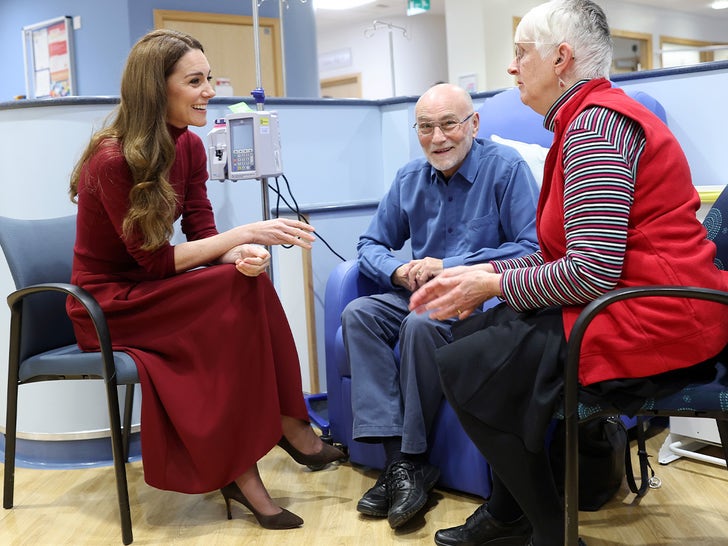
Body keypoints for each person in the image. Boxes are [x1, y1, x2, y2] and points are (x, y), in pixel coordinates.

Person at [408, 2, 728, 545]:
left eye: (519, 54)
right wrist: (485, 278)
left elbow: (590, 272)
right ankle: (512, 513)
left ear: (561, 59)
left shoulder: (595, 129)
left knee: (466, 363)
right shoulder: (585, 120)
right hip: (634, 300)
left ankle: (551, 532)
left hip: (655, 316)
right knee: (474, 339)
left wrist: (492, 283)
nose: (511, 69)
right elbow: (569, 255)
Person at [66, 29, 345, 531]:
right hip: (108, 303)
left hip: (153, 288)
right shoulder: (111, 160)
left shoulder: (189, 146)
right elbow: (152, 262)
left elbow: (202, 233)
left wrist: (241, 253)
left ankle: (283, 425)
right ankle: (256, 456)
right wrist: (242, 235)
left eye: (209, 78)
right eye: (195, 81)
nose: (210, 90)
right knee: (227, 295)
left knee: (245, 281)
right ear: (157, 89)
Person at [341, 83, 540, 529]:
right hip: (416, 290)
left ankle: (412, 456)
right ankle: (401, 468)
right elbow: (370, 243)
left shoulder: (505, 168)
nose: (438, 138)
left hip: (479, 295)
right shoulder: (409, 177)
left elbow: (532, 249)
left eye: (449, 124)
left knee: (420, 323)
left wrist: (447, 265)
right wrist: (397, 271)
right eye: (426, 127)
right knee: (358, 315)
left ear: (474, 124)